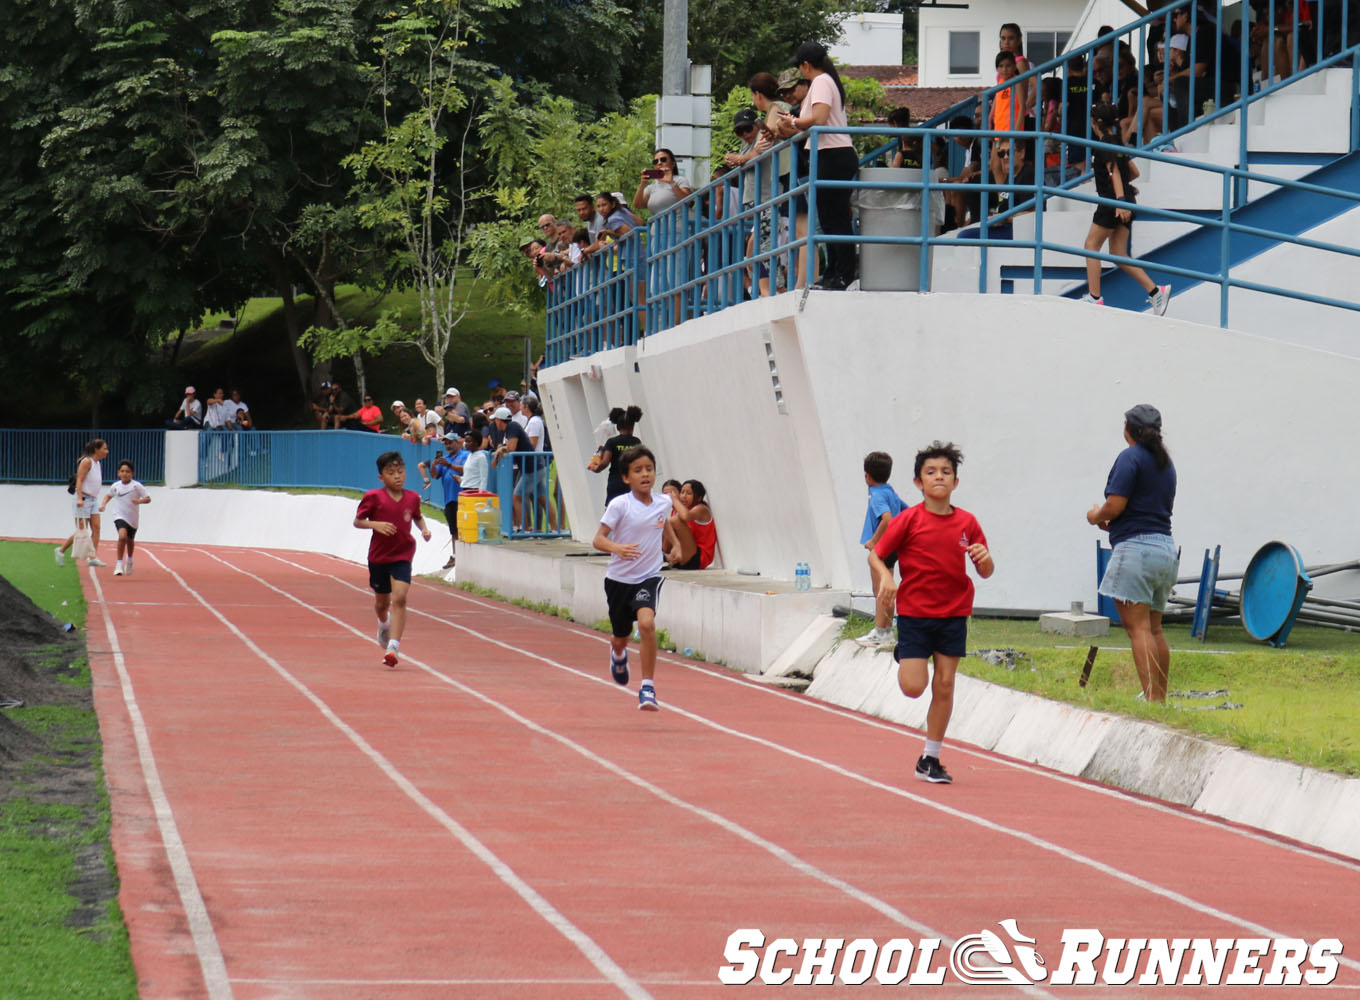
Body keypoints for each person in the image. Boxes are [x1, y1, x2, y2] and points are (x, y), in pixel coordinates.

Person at [868, 441, 994, 785]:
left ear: (955, 482)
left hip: (954, 612)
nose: (939, 477)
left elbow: (985, 570)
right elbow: (876, 554)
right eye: (930, 472)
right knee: (913, 687)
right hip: (915, 613)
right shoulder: (909, 520)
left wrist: (985, 560)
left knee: (946, 684)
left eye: (946, 472)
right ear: (918, 483)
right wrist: (887, 578)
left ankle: (930, 758)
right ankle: (905, 653)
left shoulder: (968, 522)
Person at [1087, 404, 1178, 703]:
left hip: (1136, 552)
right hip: (1164, 549)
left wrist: (1095, 515)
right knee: (1154, 628)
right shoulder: (1166, 464)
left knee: (1137, 628)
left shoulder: (1130, 457)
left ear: (1128, 429)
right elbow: (1144, 511)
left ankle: (1151, 700)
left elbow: (1115, 506)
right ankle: (1160, 698)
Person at [593, 446, 673, 711]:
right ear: (626, 478)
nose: (645, 474)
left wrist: (675, 547)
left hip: (648, 577)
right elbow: (598, 539)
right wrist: (617, 548)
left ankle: (647, 687)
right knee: (620, 636)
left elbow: (664, 523)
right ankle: (618, 655)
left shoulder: (664, 502)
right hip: (618, 580)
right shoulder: (620, 505)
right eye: (638, 470)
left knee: (647, 624)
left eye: (649, 469)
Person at [778, 41, 858, 291]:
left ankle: (844, 273)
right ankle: (833, 272)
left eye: (800, 67)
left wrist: (794, 122)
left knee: (836, 219)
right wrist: (790, 126)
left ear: (806, 65)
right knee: (828, 218)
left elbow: (820, 119)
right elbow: (810, 123)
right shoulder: (822, 82)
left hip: (833, 154)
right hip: (826, 154)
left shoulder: (822, 81)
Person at [1082, 102, 1171, 314]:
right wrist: (1126, 195)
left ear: (1094, 122)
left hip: (1113, 202)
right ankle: (1156, 291)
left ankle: (1095, 297)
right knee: (1118, 252)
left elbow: (1115, 172)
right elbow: (1133, 172)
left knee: (1091, 245)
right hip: (1126, 200)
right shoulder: (1118, 143)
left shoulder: (1104, 144)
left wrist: (1120, 199)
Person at [354, 451, 431, 668]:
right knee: (382, 604)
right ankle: (383, 623)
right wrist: (375, 524)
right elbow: (358, 521)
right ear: (381, 477)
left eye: (400, 471)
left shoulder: (413, 497)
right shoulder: (373, 497)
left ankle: (393, 647)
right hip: (379, 557)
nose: (397, 476)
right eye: (391, 473)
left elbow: (416, 516)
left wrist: (424, 529)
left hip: (403, 554)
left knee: (400, 599)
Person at [855, 451, 908, 649]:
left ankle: (880, 631)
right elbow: (905, 510)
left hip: (882, 548)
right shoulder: (890, 491)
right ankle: (886, 630)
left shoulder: (876, 495)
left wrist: (874, 541)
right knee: (887, 589)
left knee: (880, 589)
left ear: (867, 476)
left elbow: (887, 518)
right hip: (893, 546)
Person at [56, 438, 109, 568]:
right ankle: (61, 550)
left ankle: (93, 556)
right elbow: (79, 480)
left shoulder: (97, 463)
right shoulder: (87, 462)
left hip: (93, 499)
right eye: (104, 448)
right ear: (97, 449)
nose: (106, 451)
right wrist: (79, 498)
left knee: (96, 527)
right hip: (84, 499)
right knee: (82, 531)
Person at [419, 435, 466, 569]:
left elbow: (466, 469)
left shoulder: (465, 455)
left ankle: (463, 555)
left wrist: (449, 465)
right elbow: (434, 475)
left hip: (464, 496)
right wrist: (434, 465)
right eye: (446, 444)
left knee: (464, 527)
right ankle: (456, 555)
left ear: (457, 442)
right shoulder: (445, 458)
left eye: (450, 443)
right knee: (453, 529)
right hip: (450, 498)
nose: (448, 446)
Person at [100, 459, 151, 577]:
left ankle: (129, 560)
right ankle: (118, 564)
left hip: (132, 517)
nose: (124, 474)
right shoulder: (116, 486)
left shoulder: (136, 486)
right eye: (122, 471)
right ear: (118, 473)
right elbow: (108, 496)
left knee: (130, 540)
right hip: (119, 515)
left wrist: (139, 501)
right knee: (122, 536)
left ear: (132, 473)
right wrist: (103, 505)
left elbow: (148, 498)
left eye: (127, 471)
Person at [588, 405, 642, 506]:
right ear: (633, 426)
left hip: (616, 481)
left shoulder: (612, 442)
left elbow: (605, 462)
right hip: (633, 481)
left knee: (615, 509)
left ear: (618, 427)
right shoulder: (636, 441)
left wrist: (595, 468)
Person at [665, 479, 718, 569]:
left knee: (675, 520)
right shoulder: (678, 511)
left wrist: (674, 499)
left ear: (699, 498)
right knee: (666, 522)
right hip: (683, 556)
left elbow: (686, 516)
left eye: (689, 493)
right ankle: (666, 558)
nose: (684, 496)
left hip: (698, 559)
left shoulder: (701, 509)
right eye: (682, 492)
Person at [633, 147, 692, 216]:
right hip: (657, 226)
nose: (659, 163)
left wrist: (671, 182)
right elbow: (638, 205)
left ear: (673, 164)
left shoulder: (680, 180)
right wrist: (642, 184)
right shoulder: (651, 187)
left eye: (663, 160)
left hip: (676, 225)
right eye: (655, 161)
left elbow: (688, 201)